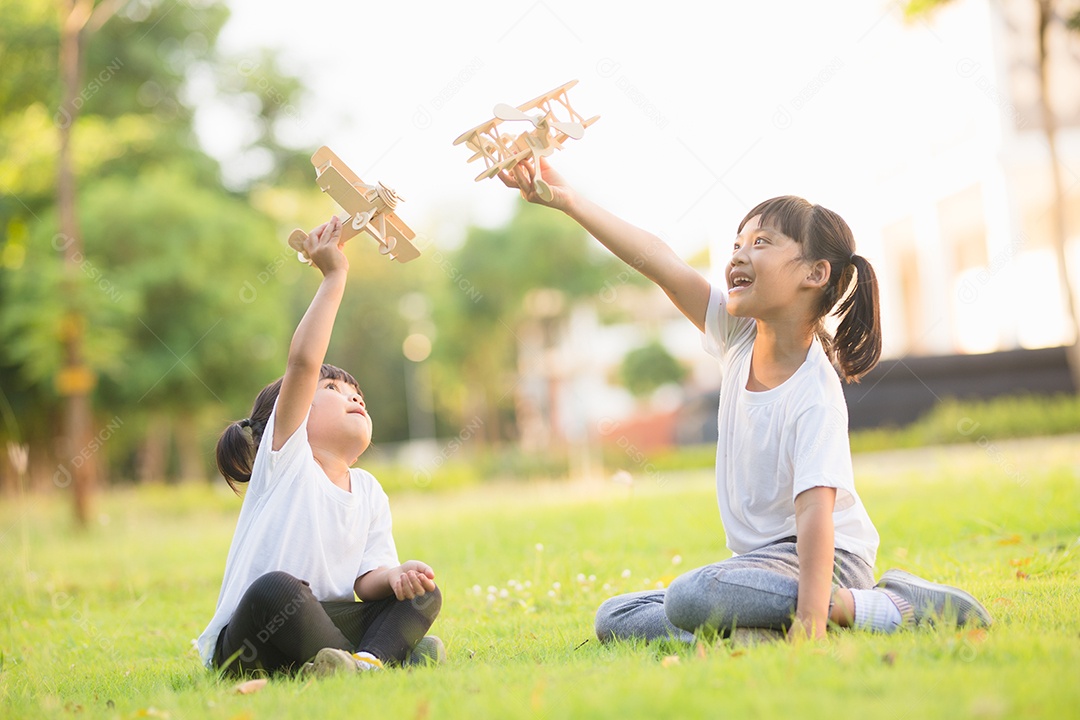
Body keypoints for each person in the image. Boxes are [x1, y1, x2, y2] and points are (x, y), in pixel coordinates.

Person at [501, 158, 992, 642]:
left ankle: (882, 606)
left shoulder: (813, 393)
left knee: (691, 598)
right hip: (759, 567)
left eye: (761, 243)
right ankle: (748, 632)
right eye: (737, 243)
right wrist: (570, 203)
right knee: (617, 616)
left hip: (830, 562)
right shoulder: (737, 337)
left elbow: (816, 518)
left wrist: (811, 624)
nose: (738, 254)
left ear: (815, 273)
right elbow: (660, 262)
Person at [196, 215, 443, 676]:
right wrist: (335, 274)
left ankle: (366, 662)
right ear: (290, 417)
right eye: (331, 390)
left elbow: (367, 581)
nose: (353, 396)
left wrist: (398, 576)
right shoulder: (286, 460)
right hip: (251, 641)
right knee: (279, 590)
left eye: (357, 395)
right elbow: (304, 361)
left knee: (425, 592)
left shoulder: (367, 490)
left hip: (321, 626)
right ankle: (389, 656)